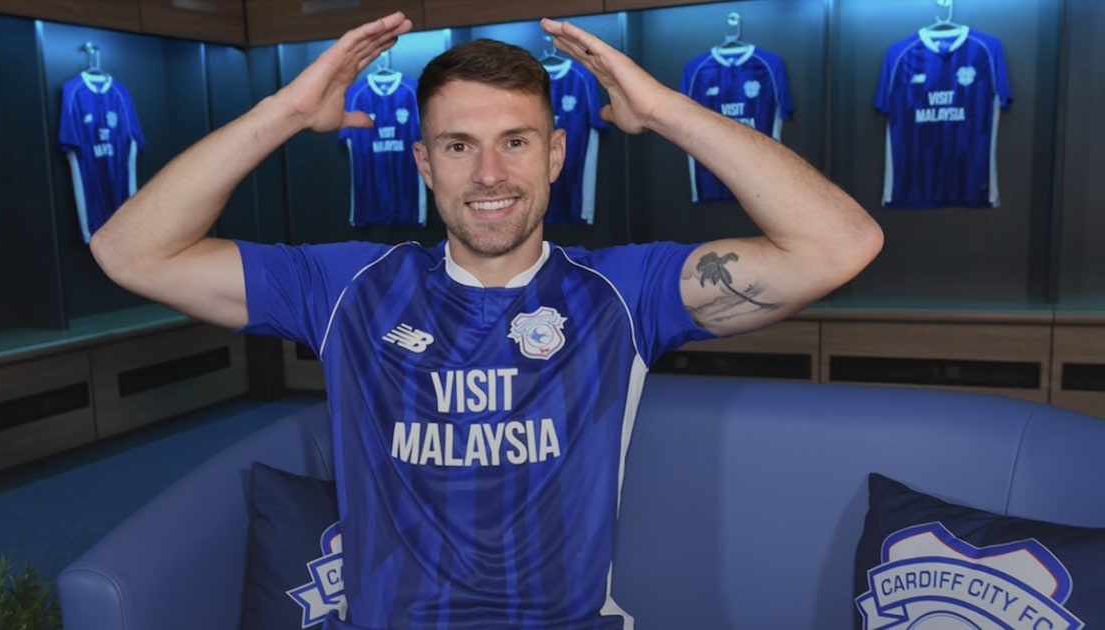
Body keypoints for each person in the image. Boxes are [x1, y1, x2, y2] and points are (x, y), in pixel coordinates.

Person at [90, 12, 883, 629]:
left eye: (516, 142)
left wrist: (668, 110)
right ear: (424, 163)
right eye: (459, 146)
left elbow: (840, 245)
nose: (491, 174)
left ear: (556, 154)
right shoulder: (349, 287)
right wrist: (288, 110)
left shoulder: (623, 294)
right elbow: (130, 253)